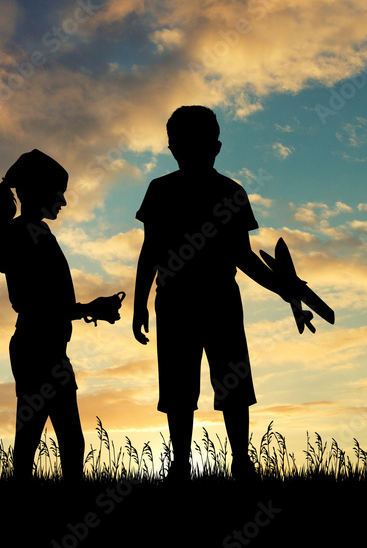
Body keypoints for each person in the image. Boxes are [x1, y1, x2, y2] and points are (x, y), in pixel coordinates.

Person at [131, 106, 303, 483]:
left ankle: (223, 464)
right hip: (193, 301)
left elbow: (240, 256)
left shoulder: (213, 191)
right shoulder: (221, 191)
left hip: (199, 301)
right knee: (201, 385)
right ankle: (205, 465)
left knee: (221, 382)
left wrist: (283, 289)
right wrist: (140, 302)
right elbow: (154, 251)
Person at [0, 149, 124, 483]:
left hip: (42, 346)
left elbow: (47, 303)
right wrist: (93, 309)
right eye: (58, 192)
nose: (62, 201)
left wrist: (92, 309)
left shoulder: (27, 233)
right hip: (40, 348)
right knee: (60, 442)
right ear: (38, 192)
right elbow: (41, 304)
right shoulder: (29, 235)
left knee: (44, 439)